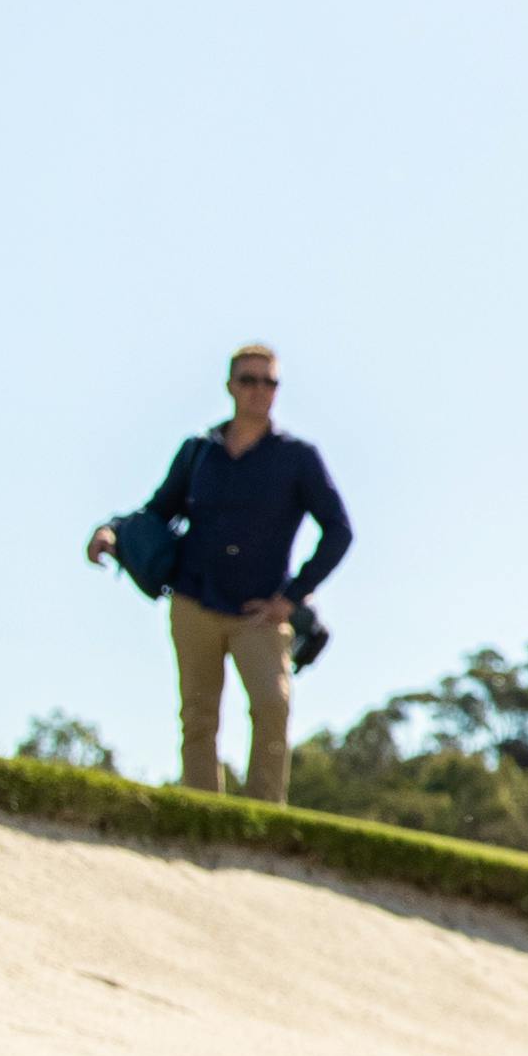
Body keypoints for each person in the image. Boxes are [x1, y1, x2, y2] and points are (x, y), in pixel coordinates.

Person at [86, 343, 353, 803]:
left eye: (268, 382)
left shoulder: (297, 458)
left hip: (262, 612)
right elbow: (158, 510)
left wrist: (291, 597)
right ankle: (202, 812)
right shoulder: (199, 452)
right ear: (231, 386)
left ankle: (263, 818)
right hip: (194, 600)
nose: (258, 390)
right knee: (198, 716)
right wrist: (112, 531)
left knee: (272, 706)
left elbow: (339, 530)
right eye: (248, 380)